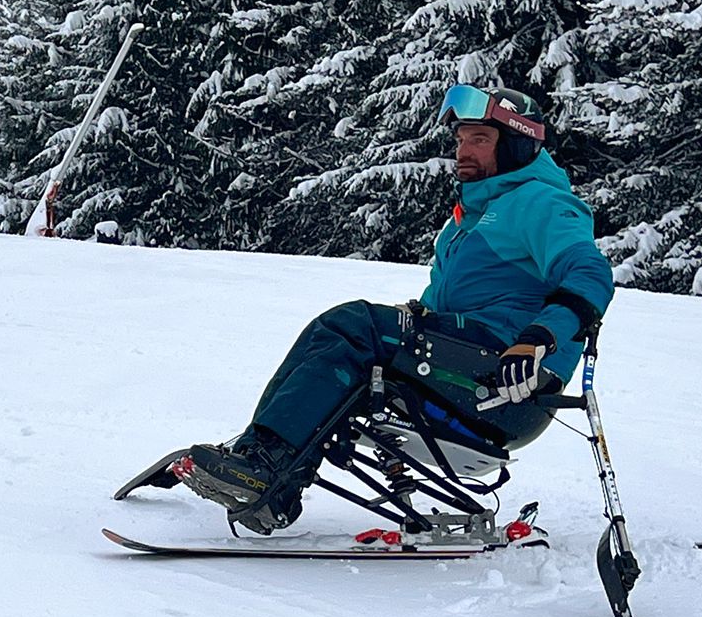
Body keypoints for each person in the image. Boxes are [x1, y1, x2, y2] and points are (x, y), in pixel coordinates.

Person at [177, 84, 615, 533]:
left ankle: (267, 466)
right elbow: (443, 309)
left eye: (479, 139)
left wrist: (537, 339)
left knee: (354, 326)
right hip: (467, 364)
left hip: (508, 383)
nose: (463, 149)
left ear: (518, 144)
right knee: (331, 331)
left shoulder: (542, 202)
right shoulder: (470, 218)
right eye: (461, 138)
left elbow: (590, 274)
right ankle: (263, 465)